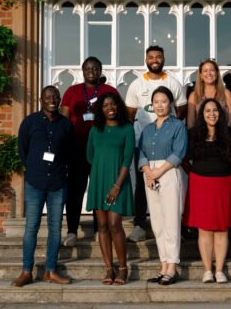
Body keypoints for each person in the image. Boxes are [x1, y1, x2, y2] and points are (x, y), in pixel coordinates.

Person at [12, 86, 73, 287]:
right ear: (41, 100)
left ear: (59, 99)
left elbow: (70, 151)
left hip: (57, 183)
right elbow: (23, 150)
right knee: (31, 227)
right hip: (35, 182)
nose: (52, 100)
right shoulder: (29, 122)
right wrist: (34, 168)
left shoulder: (66, 124)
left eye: (55, 96)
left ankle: (51, 270)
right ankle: (26, 271)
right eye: (48, 97)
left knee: (55, 229)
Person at [125, 46, 187, 242]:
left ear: (163, 58)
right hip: (143, 143)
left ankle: (176, 225)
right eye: (151, 57)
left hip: (167, 145)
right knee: (143, 185)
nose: (154, 60)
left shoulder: (172, 82)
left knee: (172, 185)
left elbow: (182, 110)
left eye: (158, 57)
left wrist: (167, 132)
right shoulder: (136, 84)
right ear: (146, 59)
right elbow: (130, 114)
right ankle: (139, 225)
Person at [61, 57, 119, 247]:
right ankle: (71, 230)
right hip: (77, 147)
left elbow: (119, 115)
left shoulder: (109, 91)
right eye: (87, 68)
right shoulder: (73, 91)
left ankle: (98, 229)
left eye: (95, 68)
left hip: (102, 149)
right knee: (75, 189)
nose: (91, 71)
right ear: (83, 70)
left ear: (101, 70)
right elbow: (64, 118)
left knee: (99, 189)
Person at [183, 99, 231, 283]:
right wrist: (194, 175)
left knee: (222, 229)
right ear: (202, 114)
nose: (212, 114)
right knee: (205, 230)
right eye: (208, 110)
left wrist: (226, 173)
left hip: (224, 184)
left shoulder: (229, 134)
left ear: (220, 113)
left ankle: (220, 270)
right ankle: (208, 270)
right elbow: (185, 159)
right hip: (200, 184)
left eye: (215, 110)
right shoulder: (193, 134)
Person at [138, 86, 187, 285]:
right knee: (157, 223)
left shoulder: (178, 126)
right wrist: (148, 172)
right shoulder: (148, 129)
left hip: (169, 172)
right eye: (156, 102)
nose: (159, 105)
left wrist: (158, 171)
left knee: (171, 222)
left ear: (171, 104)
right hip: (150, 175)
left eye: (163, 101)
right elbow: (140, 152)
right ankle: (163, 263)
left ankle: (172, 266)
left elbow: (179, 151)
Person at [86, 92, 135, 285]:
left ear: (119, 106)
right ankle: (109, 268)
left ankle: (123, 268)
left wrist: (116, 185)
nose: (110, 108)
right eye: (105, 105)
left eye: (113, 104)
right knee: (103, 226)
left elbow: (127, 158)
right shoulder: (95, 130)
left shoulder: (127, 128)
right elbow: (90, 156)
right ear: (101, 109)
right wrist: (101, 172)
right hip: (99, 181)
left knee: (115, 224)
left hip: (119, 182)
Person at [187, 59, 231, 128]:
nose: (209, 73)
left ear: (217, 73)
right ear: (201, 75)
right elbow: (190, 123)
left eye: (212, 70)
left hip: (223, 135)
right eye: (205, 71)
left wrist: (226, 136)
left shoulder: (226, 93)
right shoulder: (194, 95)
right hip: (200, 136)